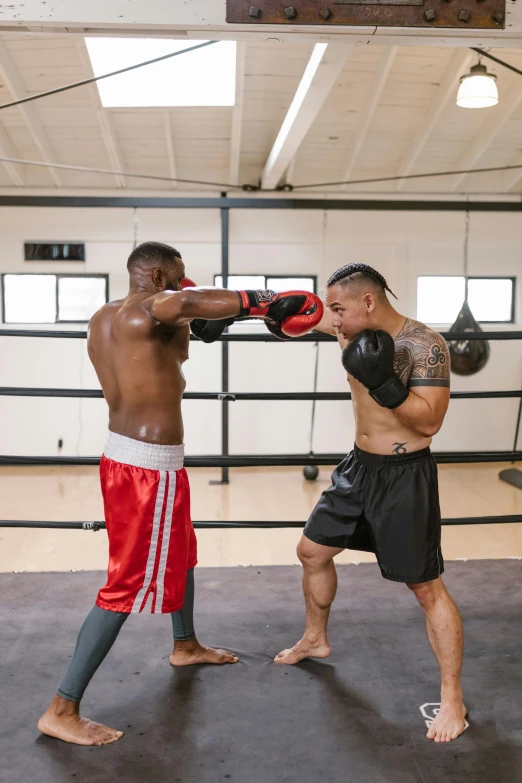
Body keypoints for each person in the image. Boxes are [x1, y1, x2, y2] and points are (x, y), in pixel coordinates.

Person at [38, 241, 323, 747]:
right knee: (124, 586)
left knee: (182, 552)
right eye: (179, 275)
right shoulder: (155, 305)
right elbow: (182, 305)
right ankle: (62, 707)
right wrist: (262, 299)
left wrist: (220, 318)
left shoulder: (108, 316)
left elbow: (182, 320)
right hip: (144, 471)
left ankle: (185, 644)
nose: (183, 282)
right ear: (157, 274)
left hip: (139, 461)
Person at [275, 262, 467, 744]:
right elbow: (299, 311)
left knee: (425, 589)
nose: (332, 322)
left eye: (339, 310)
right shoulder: (346, 324)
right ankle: (316, 638)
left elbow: (428, 423)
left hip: (405, 476)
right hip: (358, 468)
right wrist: (248, 306)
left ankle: (453, 699)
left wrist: (383, 383)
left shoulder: (424, 346)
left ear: (368, 302)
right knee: (312, 551)